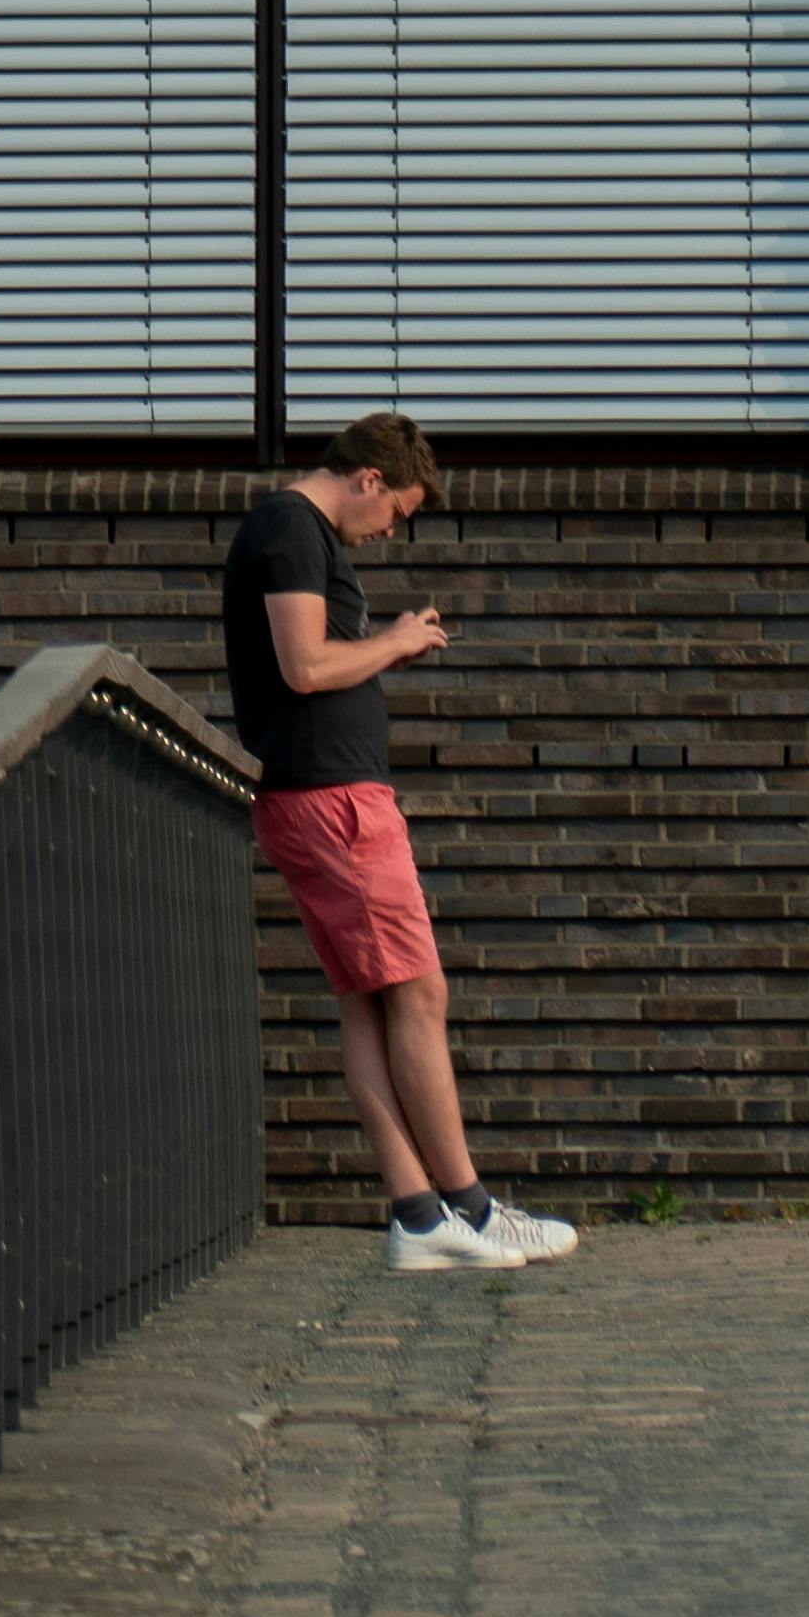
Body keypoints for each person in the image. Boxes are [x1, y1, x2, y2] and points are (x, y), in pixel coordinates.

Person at [221, 415, 577, 1275]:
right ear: (370, 478)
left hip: (329, 793)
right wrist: (394, 641)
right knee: (420, 996)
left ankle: (424, 1214)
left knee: (373, 1003)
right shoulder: (290, 528)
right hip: (331, 799)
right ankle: (466, 1208)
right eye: (399, 513)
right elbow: (304, 667)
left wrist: (382, 651)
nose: (392, 531)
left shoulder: (296, 533)